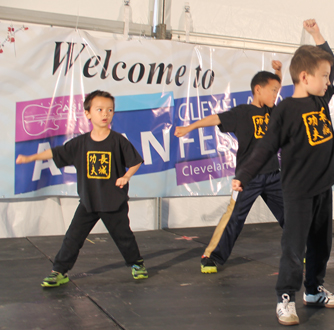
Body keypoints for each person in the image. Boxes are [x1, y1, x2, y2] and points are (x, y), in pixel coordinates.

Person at [232, 19, 334, 326]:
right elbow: (265, 148)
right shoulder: (284, 111)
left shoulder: (320, 99)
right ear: (304, 76)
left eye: (327, 77)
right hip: (297, 190)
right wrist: (242, 175)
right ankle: (286, 297)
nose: (327, 81)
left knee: (322, 244)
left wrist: (317, 36)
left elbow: (331, 65)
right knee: (294, 247)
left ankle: (313, 290)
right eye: (321, 76)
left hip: (323, 186)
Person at [16, 90, 148, 287]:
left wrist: (126, 176)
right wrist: (30, 158)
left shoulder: (118, 140)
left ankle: (136, 264)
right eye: (100, 109)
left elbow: (136, 161)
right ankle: (59, 271)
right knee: (73, 237)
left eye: (110, 110)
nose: (105, 114)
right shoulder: (80, 143)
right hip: (88, 201)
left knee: (124, 237)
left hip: (113, 201)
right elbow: (56, 152)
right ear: (88, 113)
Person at [175, 62, 285, 274]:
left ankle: (302, 250)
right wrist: (190, 127)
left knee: (288, 215)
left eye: (276, 91)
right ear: (258, 90)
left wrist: (278, 73)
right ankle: (212, 256)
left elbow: (276, 86)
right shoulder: (242, 112)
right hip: (248, 178)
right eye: (272, 91)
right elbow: (215, 118)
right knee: (234, 218)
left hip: (273, 174)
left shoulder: (272, 111)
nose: (275, 95)